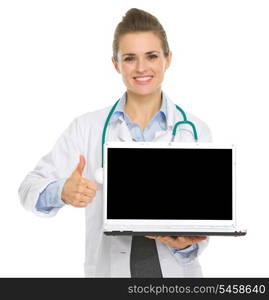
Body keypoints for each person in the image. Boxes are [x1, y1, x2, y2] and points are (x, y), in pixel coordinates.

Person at [19, 8, 211, 277]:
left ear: (168, 59)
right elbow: (28, 189)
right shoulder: (87, 128)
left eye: (152, 56)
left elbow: (201, 228)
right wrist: (62, 190)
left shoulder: (194, 131)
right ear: (116, 64)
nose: (141, 68)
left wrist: (184, 246)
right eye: (130, 58)